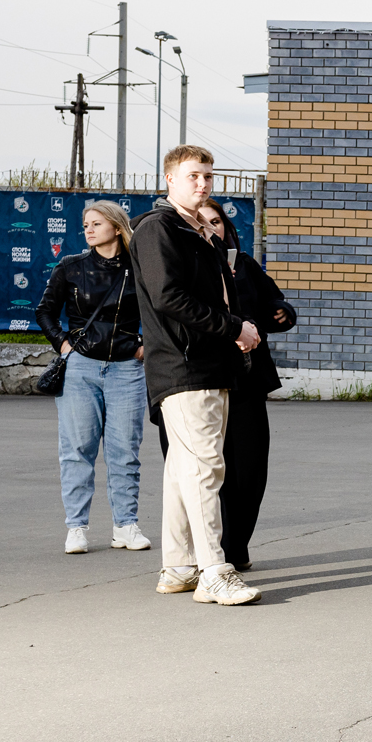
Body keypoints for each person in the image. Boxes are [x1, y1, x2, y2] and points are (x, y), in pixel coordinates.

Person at [130, 145, 261, 606]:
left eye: (207, 175)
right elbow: (168, 297)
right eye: (192, 176)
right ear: (170, 179)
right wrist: (234, 328)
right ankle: (214, 571)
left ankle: (180, 566)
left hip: (205, 362)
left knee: (184, 471)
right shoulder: (158, 228)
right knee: (207, 470)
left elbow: (217, 291)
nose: (203, 183)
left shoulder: (195, 229)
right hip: (187, 365)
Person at [38, 199, 149, 555]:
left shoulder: (140, 267)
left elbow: (163, 307)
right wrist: (63, 345)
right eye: (86, 223)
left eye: (96, 223)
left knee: (125, 452)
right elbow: (45, 312)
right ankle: (76, 528)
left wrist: (145, 344)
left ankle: (126, 526)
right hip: (81, 368)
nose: (88, 229)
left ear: (117, 227)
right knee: (76, 450)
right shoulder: (71, 267)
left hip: (126, 370)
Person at [195, 200, 294, 573]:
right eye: (202, 221)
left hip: (247, 380)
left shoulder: (244, 264)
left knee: (249, 469)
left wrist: (281, 311)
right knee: (206, 470)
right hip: (202, 380)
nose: (211, 227)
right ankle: (210, 550)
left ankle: (236, 545)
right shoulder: (186, 265)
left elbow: (274, 302)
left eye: (216, 221)